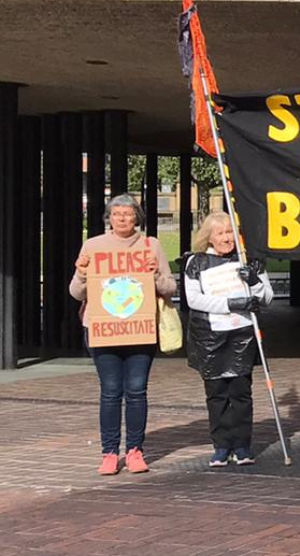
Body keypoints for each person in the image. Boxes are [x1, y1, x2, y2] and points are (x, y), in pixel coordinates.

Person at [71, 194, 177, 475]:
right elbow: (76, 292)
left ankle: (134, 451)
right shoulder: (93, 246)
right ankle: (109, 452)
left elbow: (170, 287)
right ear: (109, 217)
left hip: (140, 330)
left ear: (136, 218)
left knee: (136, 391)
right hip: (103, 329)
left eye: (128, 214)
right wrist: (82, 273)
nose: (122, 219)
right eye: (116, 214)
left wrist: (154, 276)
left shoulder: (150, 245)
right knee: (110, 392)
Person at [181, 212, 274, 467]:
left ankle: (242, 445)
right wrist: (230, 303)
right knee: (217, 393)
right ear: (209, 236)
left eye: (230, 232)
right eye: (221, 233)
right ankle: (222, 445)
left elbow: (266, 297)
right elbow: (194, 300)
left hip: (242, 335)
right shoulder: (196, 263)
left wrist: (253, 282)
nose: (227, 238)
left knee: (241, 393)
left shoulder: (249, 260)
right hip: (210, 337)